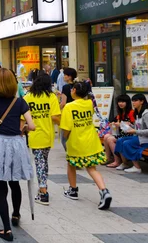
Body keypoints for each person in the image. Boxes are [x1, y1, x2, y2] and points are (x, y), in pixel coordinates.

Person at [0, 69, 35, 242]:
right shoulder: (19, 102)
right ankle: (16, 214)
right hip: (16, 144)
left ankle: (6, 230)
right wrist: (23, 129)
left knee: (1, 188)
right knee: (15, 182)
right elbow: (32, 125)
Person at [60, 81, 112, 209]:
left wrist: (65, 139)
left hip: (76, 141)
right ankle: (104, 191)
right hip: (91, 141)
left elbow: (66, 128)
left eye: (72, 89)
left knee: (71, 164)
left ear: (74, 91)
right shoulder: (89, 103)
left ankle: (73, 190)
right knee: (92, 168)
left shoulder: (69, 107)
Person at [23, 73, 61, 205]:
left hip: (35, 135)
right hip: (48, 135)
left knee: (40, 163)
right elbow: (56, 117)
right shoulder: (51, 97)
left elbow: (22, 118)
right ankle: (43, 187)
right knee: (43, 162)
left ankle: (43, 192)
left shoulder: (28, 97)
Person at [112, 93, 148, 173]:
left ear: (142, 101)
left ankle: (137, 167)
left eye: (136, 101)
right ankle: (124, 163)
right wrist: (130, 126)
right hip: (140, 137)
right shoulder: (137, 112)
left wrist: (135, 131)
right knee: (120, 140)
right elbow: (139, 127)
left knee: (127, 143)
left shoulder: (147, 114)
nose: (133, 103)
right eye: (132, 101)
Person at [104, 95, 135, 167]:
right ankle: (108, 158)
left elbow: (133, 125)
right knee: (106, 136)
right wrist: (113, 124)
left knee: (110, 139)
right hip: (122, 134)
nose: (120, 103)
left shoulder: (131, 112)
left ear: (127, 103)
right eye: (119, 102)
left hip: (129, 134)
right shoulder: (120, 113)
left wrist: (121, 124)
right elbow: (116, 122)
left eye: (123, 102)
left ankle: (117, 161)